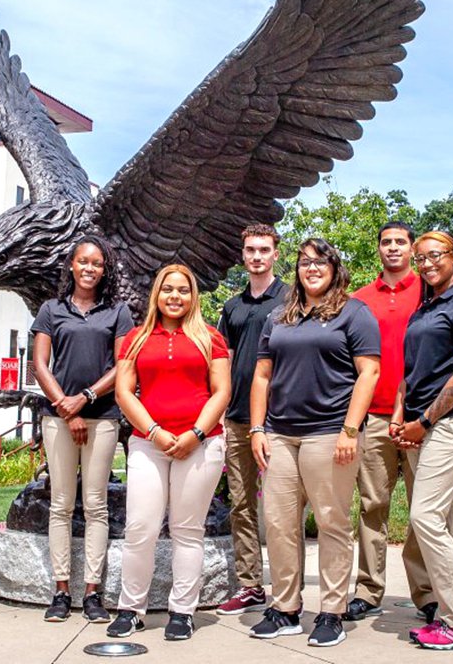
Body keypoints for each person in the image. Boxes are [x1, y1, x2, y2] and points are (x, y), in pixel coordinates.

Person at [250, 238, 380, 648]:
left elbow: (369, 373)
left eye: (320, 260)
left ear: (334, 266)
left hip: (329, 433)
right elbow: (262, 377)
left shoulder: (354, 313)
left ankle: (331, 612)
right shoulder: (279, 316)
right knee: (279, 524)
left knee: (331, 523)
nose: (312, 267)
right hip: (281, 434)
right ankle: (285, 608)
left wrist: (350, 430)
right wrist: (257, 429)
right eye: (304, 262)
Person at [108, 264, 230, 641]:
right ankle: (131, 609)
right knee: (140, 529)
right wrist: (155, 432)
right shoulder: (135, 338)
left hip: (202, 444)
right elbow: (124, 392)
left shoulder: (212, 338)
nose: (175, 296)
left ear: (194, 296)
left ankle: (182, 611)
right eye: (167, 290)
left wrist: (196, 433)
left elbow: (222, 391)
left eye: (183, 290)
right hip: (148, 444)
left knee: (187, 531)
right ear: (156, 295)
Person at [392, 231, 453, 651]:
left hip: (451, 426)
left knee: (425, 518)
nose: (427, 263)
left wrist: (424, 420)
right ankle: (452, 612)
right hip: (422, 425)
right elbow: (414, 369)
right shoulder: (427, 306)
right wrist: (401, 414)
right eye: (421, 258)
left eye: (435, 255)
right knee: (445, 524)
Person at [31, 235, 134, 623]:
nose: (90, 268)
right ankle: (60, 591)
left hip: (103, 416)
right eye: (84, 262)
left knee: (96, 505)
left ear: (104, 270)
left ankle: (92, 592)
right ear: (72, 266)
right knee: (61, 504)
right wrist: (67, 408)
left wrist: (86, 398)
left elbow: (122, 366)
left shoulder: (117, 312)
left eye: (97, 264)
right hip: (58, 418)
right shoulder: (51, 310)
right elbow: (41, 365)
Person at [345, 222, 434, 623]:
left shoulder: (431, 293)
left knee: (424, 509)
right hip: (375, 417)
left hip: (422, 418)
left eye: (400, 242)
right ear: (378, 248)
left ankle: (427, 592)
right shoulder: (358, 301)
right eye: (386, 242)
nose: (393, 248)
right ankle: (368, 589)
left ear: (411, 248)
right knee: (372, 505)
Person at [216, 224, 287, 616]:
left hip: (280, 420)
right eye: (250, 250)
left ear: (276, 253)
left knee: (280, 509)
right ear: (242, 256)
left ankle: (286, 588)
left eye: (264, 249)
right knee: (241, 505)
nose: (257, 256)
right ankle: (250, 586)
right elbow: (223, 361)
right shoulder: (233, 306)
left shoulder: (290, 300)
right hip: (239, 418)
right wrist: (223, 414)